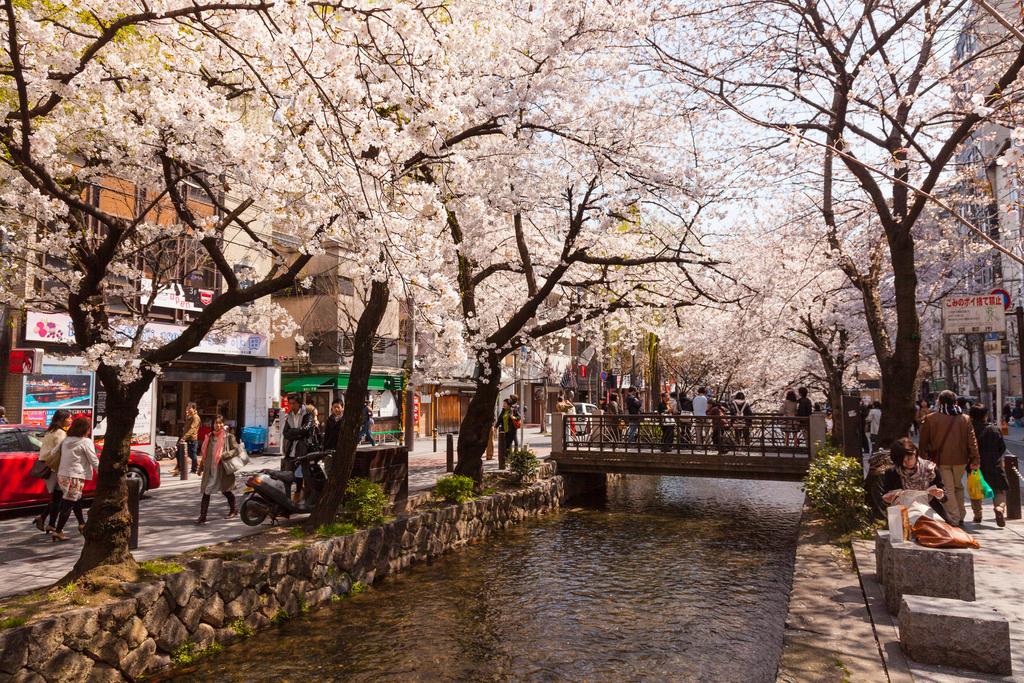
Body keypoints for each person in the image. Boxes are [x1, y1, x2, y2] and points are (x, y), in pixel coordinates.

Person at [919, 390, 980, 528]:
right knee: (958, 486)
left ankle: (954, 517)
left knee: (948, 488)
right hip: (961, 459)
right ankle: (961, 515)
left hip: (941, 459)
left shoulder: (931, 418)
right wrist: (975, 459)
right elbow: (972, 441)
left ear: (940, 402)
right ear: (955, 402)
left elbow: (923, 442)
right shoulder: (965, 418)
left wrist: (922, 459)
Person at [52, 417, 98, 541]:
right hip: (75, 476)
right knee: (68, 503)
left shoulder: (66, 440)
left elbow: (52, 453)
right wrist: (102, 473)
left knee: (77, 498)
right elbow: (93, 460)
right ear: (85, 429)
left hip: (62, 475)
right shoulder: (85, 442)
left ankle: (82, 524)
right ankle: (58, 531)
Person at [881, 437, 948, 522]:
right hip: (904, 517)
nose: (907, 463)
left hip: (930, 514)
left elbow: (945, 498)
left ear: (915, 453)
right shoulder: (892, 473)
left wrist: (940, 495)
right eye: (903, 461)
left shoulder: (930, 469)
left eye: (910, 458)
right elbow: (885, 498)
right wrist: (888, 498)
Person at [969, 404, 1010, 527]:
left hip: (975, 465)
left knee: (976, 490)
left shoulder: (969, 430)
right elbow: (1002, 447)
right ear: (985, 415)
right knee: (999, 489)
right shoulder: (994, 429)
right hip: (994, 463)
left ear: (971, 416)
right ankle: (999, 508)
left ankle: (978, 514)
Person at [195, 415, 239, 524]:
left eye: (220, 423)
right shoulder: (209, 437)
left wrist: (225, 455)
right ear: (212, 424)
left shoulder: (228, 437)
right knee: (206, 491)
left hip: (222, 469)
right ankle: (202, 516)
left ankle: (233, 510)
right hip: (210, 469)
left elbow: (236, 450)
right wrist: (200, 468)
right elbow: (204, 455)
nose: (218, 425)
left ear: (223, 424)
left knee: (226, 491)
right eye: (216, 423)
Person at [34, 409, 72, 534]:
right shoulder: (60, 433)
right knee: (59, 497)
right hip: (56, 467)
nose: (71, 420)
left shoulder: (50, 431)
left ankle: (45, 520)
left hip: (49, 466)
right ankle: (49, 523)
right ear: (62, 419)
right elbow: (60, 451)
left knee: (57, 497)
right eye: (69, 418)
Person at [282, 395, 314, 500]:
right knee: (287, 475)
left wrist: (293, 432)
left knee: (300, 474)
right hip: (291, 449)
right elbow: (285, 433)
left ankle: (298, 493)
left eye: (294, 403)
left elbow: (305, 430)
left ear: (299, 403)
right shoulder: (289, 415)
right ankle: (287, 498)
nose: (292, 405)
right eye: (290, 403)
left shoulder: (307, 414)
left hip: (303, 448)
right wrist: (297, 432)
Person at [173, 402, 201, 476]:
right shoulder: (189, 416)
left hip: (192, 439)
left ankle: (195, 468)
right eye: (187, 407)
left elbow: (192, 429)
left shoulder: (195, 417)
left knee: (192, 454)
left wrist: (184, 437)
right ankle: (179, 468)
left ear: (194, 408)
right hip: (185, 438)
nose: (187, 409)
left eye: (189, 408)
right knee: (178, 453)